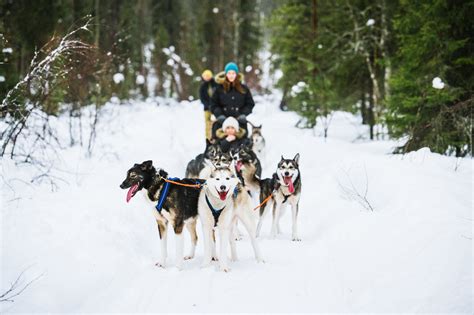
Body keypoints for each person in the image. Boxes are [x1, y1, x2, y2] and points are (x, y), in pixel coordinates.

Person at [209, 62, 255, 137]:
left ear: (236, 74)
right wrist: (219, 115)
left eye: (233, 73)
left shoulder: (244, 88)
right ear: (226, 74)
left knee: (243, 144)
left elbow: (250, 103)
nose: (231, 75)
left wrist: (243, 114)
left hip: (239, 121)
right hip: (222, 122)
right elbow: (213, 104)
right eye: (229, 73)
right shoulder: (219, 88)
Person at [199, 69, 218, 140]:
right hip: (207, 108)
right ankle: (208, 138)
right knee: (208, 123)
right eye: (205, 76)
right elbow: (202, 98)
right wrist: (207, 105)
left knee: (216, 122)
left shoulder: (215, 84)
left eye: (208, 76)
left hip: (216, 107)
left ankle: (216, 137)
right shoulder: (202, 86)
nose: (207, 77)